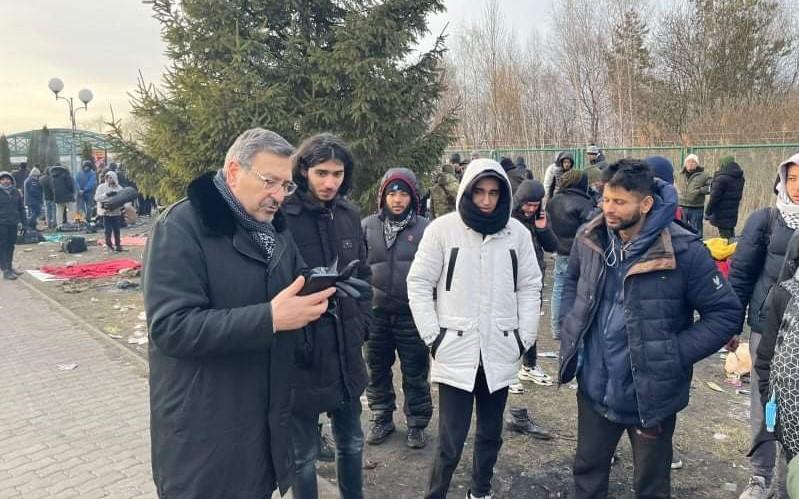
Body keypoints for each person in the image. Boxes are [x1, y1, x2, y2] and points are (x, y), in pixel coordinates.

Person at [143, 128, 335, 498]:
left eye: (286, 185)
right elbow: (170, 327)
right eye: (269, 181)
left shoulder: (273, 230)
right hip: (204, 435)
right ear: (234, 172)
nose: (279, 196)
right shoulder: (180, 227)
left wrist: (326, 290)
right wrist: (270, 318)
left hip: (259, 429)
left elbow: (295, 280)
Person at [558, 159, 742, 498]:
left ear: (645, 204)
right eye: (606, 199)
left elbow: (725, 312)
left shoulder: (683, 249)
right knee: (587, 473)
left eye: (619, 202)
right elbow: (572, 279)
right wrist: (570, 323)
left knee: (652, 486)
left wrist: (674, 353)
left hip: (650, 395)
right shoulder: (591, 236)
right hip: (595, 386)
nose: (608, 209)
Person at [407, 158, 542, 499]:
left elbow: (530, 285)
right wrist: (433, 336)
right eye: (479, 191)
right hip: (455, 347)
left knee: (490, 434)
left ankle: (480, 491)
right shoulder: (443, 230)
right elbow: (419, 282)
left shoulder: (517, 234)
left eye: (494, 193)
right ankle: (436, 493)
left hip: (500, 346)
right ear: (467, 190)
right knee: (450, 438)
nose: (486, 200)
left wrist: (523, 337)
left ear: (503, 195)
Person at [282, 133, 372, 499]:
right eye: (322, 173)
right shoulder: (283, 216)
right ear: (304, 170)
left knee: (351, 441)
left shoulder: (348, 214)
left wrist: (362, 324)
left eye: (337, 173)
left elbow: (363, 274)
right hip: (302, 350)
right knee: (302, 455)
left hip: (346, 349)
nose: (330, 182)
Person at [731, 152, 799, 499]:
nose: (797, 186)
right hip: (768, 328)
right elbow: (741, 274)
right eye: (792, 178)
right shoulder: (766, 220)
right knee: (765, 402)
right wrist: (732, 325)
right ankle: (760, 476)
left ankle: (790, 478)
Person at [362, 168, 433, 449]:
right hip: (375, 313)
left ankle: (417, 423)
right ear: (383, 196)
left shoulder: (426, 229)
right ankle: (381, 417)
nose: (397, 199)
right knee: (376, 368)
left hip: (411, 315)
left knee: (415, 371)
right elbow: (357, 267)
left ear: (413, 197)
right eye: (392, 193)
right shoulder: (367, 226)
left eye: (403, 193)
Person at [505, 179, 556, 440]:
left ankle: (530, 364)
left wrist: (543, 228)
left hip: (534, 279)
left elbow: (552, 246)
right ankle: (509, 371)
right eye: (527, 204)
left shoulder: (537, 219)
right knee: (511, 326)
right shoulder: (507, 220)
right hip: (510, 282)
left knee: (530, 324)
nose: (530, 209)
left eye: (535, 205)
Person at [753, 231, 799, 498]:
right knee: (788, 485)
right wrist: (775, 415)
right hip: (791, 427)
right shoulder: (785, 295)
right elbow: (765, 360)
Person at [546, 169, 595, 340]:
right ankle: (572, 327)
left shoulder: (553, 201)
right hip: (578, 252)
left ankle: (556, 328)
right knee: (577, 289)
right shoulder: (584, 203)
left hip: (559, 250)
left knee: (559, 288)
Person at [706, 156, 745, 240]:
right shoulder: (739, 177)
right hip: (732, 212)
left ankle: (731, 248)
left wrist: (708, 212)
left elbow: (714, 198)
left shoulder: (721, 178)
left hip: (721, 214)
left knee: (725, 239)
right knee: (730, 236)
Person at [678, 154, 711, 238]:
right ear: (685, 163)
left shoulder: (704, 175)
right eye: (688, 162)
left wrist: (700, 191)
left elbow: (711, 187)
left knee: (696, 231)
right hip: (682, 206)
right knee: (681, 230)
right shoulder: (680, 174)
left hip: (696, 208)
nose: (690, 164)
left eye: (693, 162)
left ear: (697, 164)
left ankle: (698, 245)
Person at [0, 171, 24, 280]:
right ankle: (5, 270)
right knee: (3, 246)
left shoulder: (16, 192)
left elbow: (21, 208)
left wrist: (24, 223)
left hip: (13, 223)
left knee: (11, 245)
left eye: (8, 179)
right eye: (3, 179)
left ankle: (9, 267)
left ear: (11, 180)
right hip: (2, 224)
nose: (6, 181)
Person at [95, 171, 124, 252]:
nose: (109, 179)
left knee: (116, 230)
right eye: (108, 178)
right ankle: (109, 245)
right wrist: (106, 195)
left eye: (111, 177)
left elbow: (123, 198)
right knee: (107, 231)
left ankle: (118, 245)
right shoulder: (102, 187)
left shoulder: (119, 188)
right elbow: (97, 198)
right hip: (106, 213)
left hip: (116, 212)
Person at [429, 153, 461, 220]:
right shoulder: (457, 186)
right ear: (452, 172)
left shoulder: (434, 187)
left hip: (439, 219)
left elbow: (431, 210)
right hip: (453, 218)